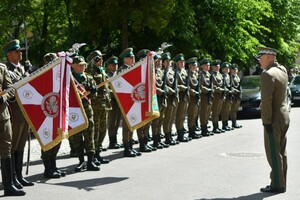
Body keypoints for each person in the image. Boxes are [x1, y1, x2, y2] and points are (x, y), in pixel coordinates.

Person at [2, 39, 34, 189]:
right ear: (9, 54)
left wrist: (30, 71)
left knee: (21, 144)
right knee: (12, 145)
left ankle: (19, 175)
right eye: (17, 51)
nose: (20, 53)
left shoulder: (22, 68)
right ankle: (13, 177)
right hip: (14, 112)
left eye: (20, 50)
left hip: (25, 112)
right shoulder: (6, 69)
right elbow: (12, 89)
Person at [257, 46, 289, 193]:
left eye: (261, 57)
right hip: (283, 116)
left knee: (273, 153)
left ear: (269, 57)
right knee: (281, 151)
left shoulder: (267, 74)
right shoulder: (282, 71)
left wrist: (266, 121)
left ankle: (277, 184)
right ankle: (282, 181)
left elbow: (266, 101)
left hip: (273, 119)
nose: (259, 60)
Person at [70, 55, 100, 172]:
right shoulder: (69, 79)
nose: (82, 67)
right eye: (80, 65)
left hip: (87, 110)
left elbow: (94, 96)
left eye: (83, 65)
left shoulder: (88, 78)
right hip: (75, 112)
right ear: (73, 66)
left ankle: (90, 161)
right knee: (76, 136)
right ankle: (81, 161)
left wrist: (93, 91)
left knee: (89, 134)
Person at [0, 63, 25, 196]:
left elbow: (11, 88)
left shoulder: (2, 68)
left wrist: (3, 97)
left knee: (6, 150)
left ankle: (8, 186)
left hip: (2, 117)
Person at [40, 53, 67, 178]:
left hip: (56, 111)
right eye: (51, 62)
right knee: (47, 139)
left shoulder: (58, 76)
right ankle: (48, 169)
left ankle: (54, 166)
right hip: (45, 113)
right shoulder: (40, 76)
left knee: (57, 139)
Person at [86, 50, 110, 165]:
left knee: (103, 129)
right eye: (98, 59)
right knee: (94, 131)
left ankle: (98, 152)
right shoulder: (90, 71)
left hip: (104, 104)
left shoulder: (102, 70)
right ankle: (93, 154)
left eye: (101, 58)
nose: (101, 61)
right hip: (95, 105)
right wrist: (92, 64)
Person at [117, 47, 141, 157]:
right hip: (126, 101)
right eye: (131, 57)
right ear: (125, 59)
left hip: (133, 100)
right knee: (127, 125)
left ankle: (130, 145)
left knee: (133, 122)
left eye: (133, 57)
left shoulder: (133, 69)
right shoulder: (122, 70)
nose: (133, 59)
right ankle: (126, 147)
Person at [106, 55, 123, 149]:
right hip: (112, 101)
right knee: (112, 121)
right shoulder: (107, 76)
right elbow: (108, 89)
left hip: (119, 101)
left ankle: (115, 139)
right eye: (113, 64)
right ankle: (112, 141)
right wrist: (117, 93)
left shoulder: (119, 75)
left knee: (117, 121)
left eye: (116, 64)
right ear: (109, 65)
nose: (115, 66)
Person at [162, 52, 178, 145]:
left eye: (169, 61)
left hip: (172, 97)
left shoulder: (172, 72)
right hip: (166, 97)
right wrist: (170, 90)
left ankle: (170, 135)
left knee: (171, 117)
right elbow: (164, 85)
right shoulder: (163, 72)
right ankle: (166, 137)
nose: (168, 63)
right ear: (163, 63)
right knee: (166, 118)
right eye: (166, 61)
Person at [173, 53, 190, 142]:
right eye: (181, 62)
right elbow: (176, 86)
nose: (183, 63)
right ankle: (180, 135)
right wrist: (184, 87)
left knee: (183, 116)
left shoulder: (184, 72)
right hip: (179, 96)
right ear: (177, 63)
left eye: (183, 61)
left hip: (185, 97)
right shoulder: (176, 72)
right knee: (179, 117)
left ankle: (182, 132)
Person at [185, 57, 201, 139]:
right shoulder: (188, 75)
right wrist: (194, 92)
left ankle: (193, 130)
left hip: (196, 97)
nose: (195, 67)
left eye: (195, 66)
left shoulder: (196, 74)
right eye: (193, 66)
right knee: (191, 115)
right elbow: (188, 87)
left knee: (195, 115)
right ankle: (191, 132)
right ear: (190, 66)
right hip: (191, 97)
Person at [199, 58, 213, 136]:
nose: (208, 67)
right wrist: (207, 90)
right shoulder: (201, 74)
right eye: (206, 65)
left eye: (208, 65)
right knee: (203, 113)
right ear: (202, 66)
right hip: (204, 96)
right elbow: (200, 86)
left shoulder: (208, 74)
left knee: (207, 113)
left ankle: (206, 127)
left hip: (209, 95)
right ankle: (203, 129)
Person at [210, 59, 225, 134]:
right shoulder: (212, 75)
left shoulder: (219, 74)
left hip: (220, 95)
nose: (217, 67)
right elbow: (213, 86)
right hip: (216, 95)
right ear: (213, 67)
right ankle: (215, 127)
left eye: (218, 66)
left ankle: (217, 126)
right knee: (215, 111)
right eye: (215, 66)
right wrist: (220, 89)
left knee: (218, 111)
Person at [220, 62, 233, 131]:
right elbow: (224, 86)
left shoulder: (229, 76)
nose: (227, 69)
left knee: (227, 110)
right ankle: (224, 125)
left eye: (228, 68)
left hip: (229, 95)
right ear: (222, 70)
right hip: (225, 94)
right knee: (224, 111)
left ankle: (226, 124)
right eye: (225, 68)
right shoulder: (223, 76)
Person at [229, 63, 243, 128]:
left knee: (235, 110)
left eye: (236, 70)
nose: (235, 71)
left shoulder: (237, 77)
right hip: (234, 95)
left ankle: (235, 122)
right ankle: (233, 123)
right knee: (233, 110)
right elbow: (231, 86)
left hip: (238, 96)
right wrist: (235, 91)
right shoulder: (230, 77)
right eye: (233, 70)